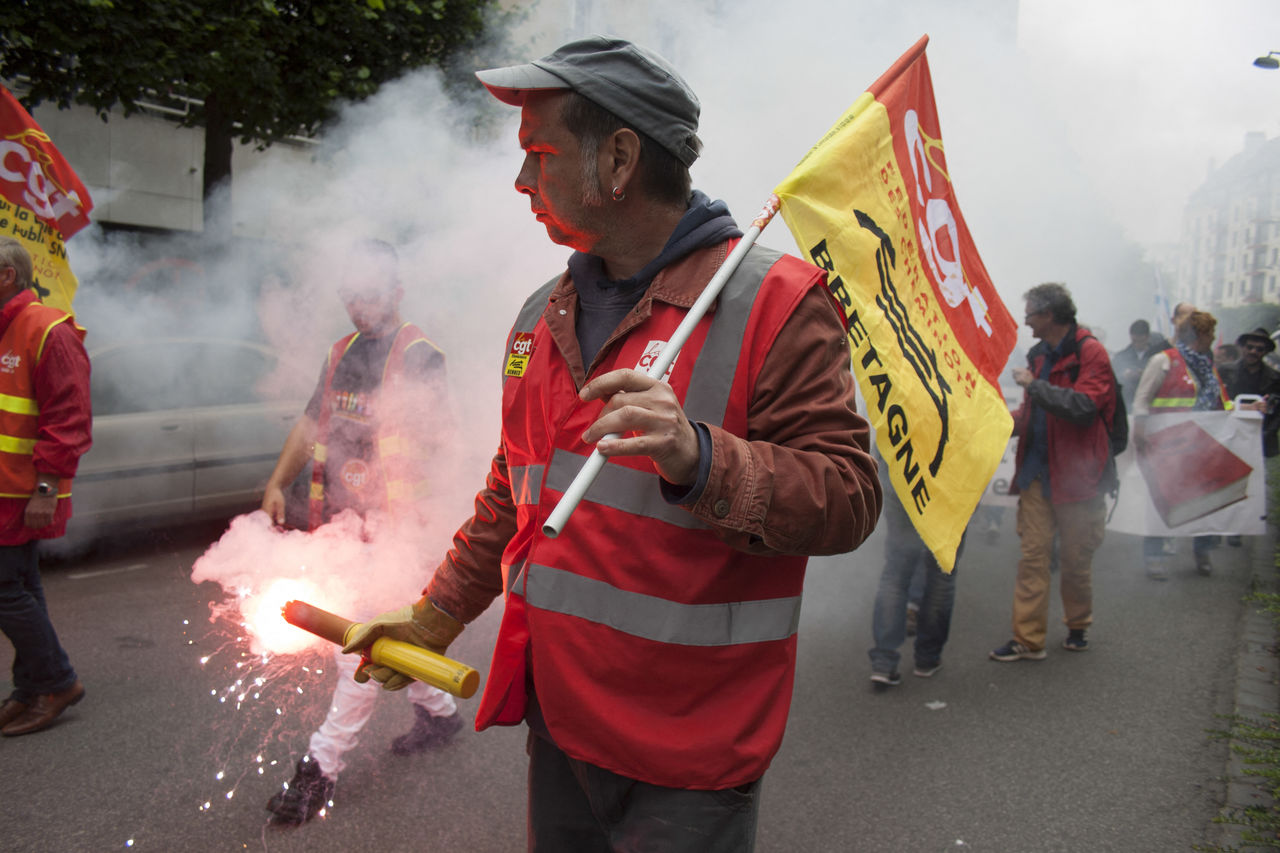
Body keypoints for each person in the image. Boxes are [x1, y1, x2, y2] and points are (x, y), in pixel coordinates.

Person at [341, 37, 882, 851]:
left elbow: (849, 498)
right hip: (561, 725)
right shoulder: (540, 313)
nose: (522, 181)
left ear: (620, 158)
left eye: (541, 155)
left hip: (691, 752)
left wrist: (700, 458)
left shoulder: (775, 301)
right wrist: (436, 614)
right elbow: (513, 488)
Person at [261, 239, 461, 825]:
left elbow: (444, 447)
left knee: (359, 649)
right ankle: (441, 714)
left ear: (396, 292)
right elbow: (309, 423)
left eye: (370, 294)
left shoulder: (420, 355)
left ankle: (319, 771)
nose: (358, 305)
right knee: (372, 639)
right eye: (350, 294)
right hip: (341, 526)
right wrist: (277, 482)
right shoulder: (340, 352)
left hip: (396, 532)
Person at [990, 282, 1117, 662]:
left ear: (1048, 314)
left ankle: (1078, 624)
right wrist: (992, 422)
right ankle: (1027, 640)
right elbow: (1031, 414)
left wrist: (1035, 385)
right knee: (1033, 558)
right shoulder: (1037, 355)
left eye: (1029, 314)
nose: (1025, 321)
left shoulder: (1091, 352)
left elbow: (1083, 407)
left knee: (1077, 561)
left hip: (1079, 480)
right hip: (1036, 475)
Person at [0, 236, 92, 737]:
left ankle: (56, 682)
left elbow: (70, 418)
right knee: (22, 590)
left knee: (6, 592)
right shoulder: (6, 327)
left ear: (7, 277)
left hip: (21, 493)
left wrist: (45, 488)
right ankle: (31, 688)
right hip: (5, 490)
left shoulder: (48, 330)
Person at [1132, 311, 1233, 577]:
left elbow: (1222, 403)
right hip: (1165, 445)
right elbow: (1142, 399)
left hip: (1200, 445)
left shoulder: (1205, 366)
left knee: (1205, 498)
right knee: (1161, 500)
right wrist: (1140, 433)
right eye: (1210, 333)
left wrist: (1250, 409)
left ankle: (1202, 549)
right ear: (1199, 334)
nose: (1212, 338)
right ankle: (1153, 555)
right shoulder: (1163, 361)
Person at [868, 458, 960, 686]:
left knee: (897, 570)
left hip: (901, 466)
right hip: (952, 474)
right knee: (941, 572)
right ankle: (927, 658)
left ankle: (884, 662)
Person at [1111, 319, 1168, 408]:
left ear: (1148, 337)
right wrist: (1124, 375)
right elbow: (1113, 378)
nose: (1137, 344)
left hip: (1152, 402)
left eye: (1141, 341)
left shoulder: (1158, 355)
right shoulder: (1121, 356)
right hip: (1129, 401)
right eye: (1134, 341)